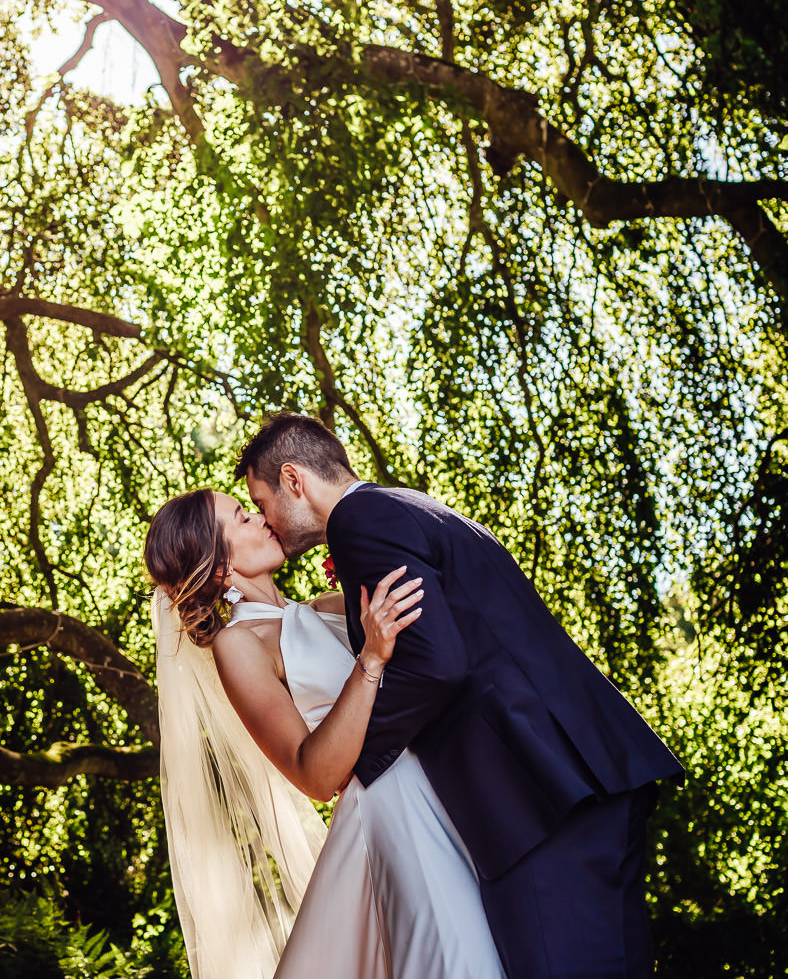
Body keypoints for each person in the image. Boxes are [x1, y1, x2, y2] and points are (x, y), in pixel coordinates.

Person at [236, 411, 684, 979]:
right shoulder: (407, 504)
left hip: (535, 796)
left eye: (263, 499)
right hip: (584, 776)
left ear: (294, 480)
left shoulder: (360, 523)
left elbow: (436, 663)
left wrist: (358, 761)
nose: (267, 519)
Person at [145, 488, 506, 979]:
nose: (260, 519)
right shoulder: (240, 644)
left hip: (451, 790)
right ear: (219, 568)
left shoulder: (329, 605)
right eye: (241, 517)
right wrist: (372, 660)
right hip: (391, 810)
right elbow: (313, 775)